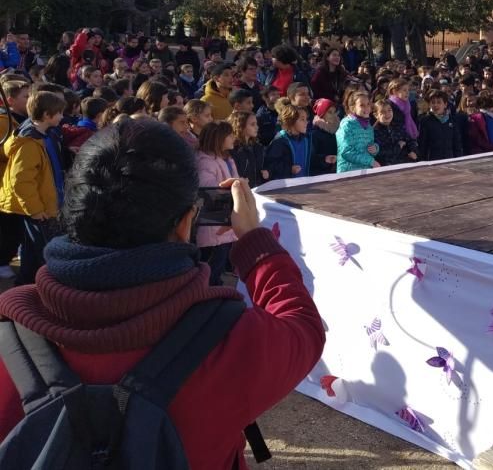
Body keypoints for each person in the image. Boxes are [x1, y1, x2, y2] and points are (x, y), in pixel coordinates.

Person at [0, 119, 325, 468]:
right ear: (186, 223)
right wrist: (252, 239)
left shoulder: (8, 335)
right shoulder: (231, 340)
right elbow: (302, 325)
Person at [0, 91, 67, 284]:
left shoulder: (45, 135)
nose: (62, 117)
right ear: (47, 115)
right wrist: (35, 210)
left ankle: (24, 283)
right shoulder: (29, 143)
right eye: (60, 113)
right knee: (45, 252)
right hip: (38, 209)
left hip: (43, 204)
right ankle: (46, 289)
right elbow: (21, 181)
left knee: (31, 251)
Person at [195, 121, 239, 286]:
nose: (234, 137)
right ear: (219, 138)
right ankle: (209, 288)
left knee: (222, 254)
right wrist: (233, 184)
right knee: (214, 257)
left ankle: (215, 283)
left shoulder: (226, 158)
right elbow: (207, 187)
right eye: (230, 135)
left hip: (224, 215)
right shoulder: (206, 161)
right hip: (213, 218)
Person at [264, 99, 312, 180]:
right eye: (302, 119)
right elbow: (271, 166)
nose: (306, 122)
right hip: (287, 189)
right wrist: (289, 169)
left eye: (306, 119)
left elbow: (311, 160)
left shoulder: (306, 139)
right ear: (291, 121)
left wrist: (324, 160)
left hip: (305, 185)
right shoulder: (280, 141)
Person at [336, 91, 379, 173]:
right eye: (362, 105)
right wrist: (371, 161)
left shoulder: (369, 126)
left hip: (366, 171)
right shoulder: (347, 125)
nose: (366, 107)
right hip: (348, 173)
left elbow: (370, 146)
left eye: (368, 104)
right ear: (352, 108)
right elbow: (346, 152)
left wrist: (375, 149)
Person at [418, 90, 463, 161]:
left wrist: (459, 159)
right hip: (432, 161)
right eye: (433, 102)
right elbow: (422, 144)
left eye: (439, 102)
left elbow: (457, 143)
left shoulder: (452, 120)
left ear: (445, 104)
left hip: (449, 159)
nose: (435, 105)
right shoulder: (425, 120)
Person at [229, 110, 267, 187]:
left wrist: (267, 171)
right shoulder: (234, 150)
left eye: (256, 124)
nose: (257, 127)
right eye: (252, 124)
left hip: (258, 190)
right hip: (243, 191)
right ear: (241, 126)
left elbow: (263, 166)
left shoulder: (257, 147)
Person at [373, 100, 416, 166]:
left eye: (389, 110)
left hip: (404, 163)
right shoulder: (374, 132)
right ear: (376, 115)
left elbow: (410, 140)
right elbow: (380, 152)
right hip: (387, 167)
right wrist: (398, 146)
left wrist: (412, 151)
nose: (387, 114)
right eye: (383, 112)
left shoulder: (398, 126)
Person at [308, 98, 339, 175]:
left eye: (334, 112)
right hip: (321, 174)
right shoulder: (314, 134)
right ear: (322, 114)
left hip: (337, 171)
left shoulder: (339, 130)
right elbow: (311, 158)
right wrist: (325, 159)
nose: (333, 115)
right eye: (329, 112)